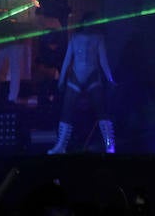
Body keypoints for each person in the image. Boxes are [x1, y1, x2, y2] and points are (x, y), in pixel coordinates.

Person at [47, 12, 117, 154]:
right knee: (67, 111)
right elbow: (67, 60)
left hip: (92, 76)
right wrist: (61, 80)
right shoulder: (74, 37)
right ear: (83, 22)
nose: (89, 25)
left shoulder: (98, 38)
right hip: (76, 77)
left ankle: (110, 145)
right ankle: (61, 146)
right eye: (88, 22)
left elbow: (103, 61)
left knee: (101, 110)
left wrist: (110, 79)